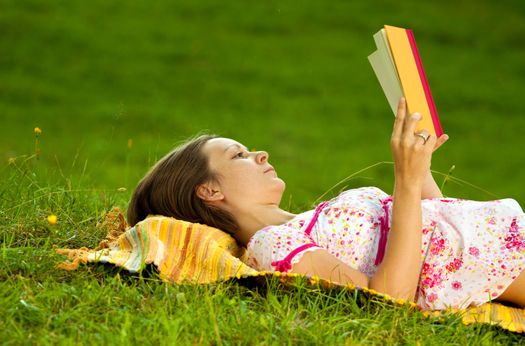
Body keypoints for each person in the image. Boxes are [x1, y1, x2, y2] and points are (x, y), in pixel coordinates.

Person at [127, 98, 525, 310]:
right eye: (239, 155)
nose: (260, 154)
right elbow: (389, 299)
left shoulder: (306, 222)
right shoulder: (275, 245)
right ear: (209, 191)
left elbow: (436, 224)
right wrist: (405, 180)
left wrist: (419, 168)